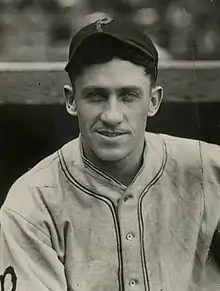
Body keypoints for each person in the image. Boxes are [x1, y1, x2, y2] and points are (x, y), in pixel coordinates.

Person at [0, 16, 220, 291]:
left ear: (153, 101)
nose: (112, 116)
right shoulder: (32, 201)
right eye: (96, 95)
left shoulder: (207, 168)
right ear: (71, 100)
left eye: (128, 95)